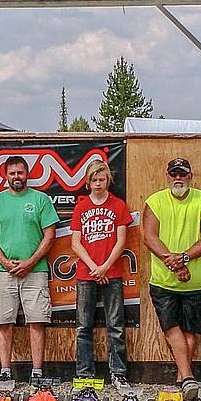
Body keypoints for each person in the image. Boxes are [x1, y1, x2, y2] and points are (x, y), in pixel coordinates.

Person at [141, 158, 201, 397]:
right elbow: (149, 236)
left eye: (182, 174)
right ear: (167, 176)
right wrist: (174, 264)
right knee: (171, 328)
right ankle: (187, 376)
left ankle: (181, 378)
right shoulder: (154, 201)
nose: (178, 178)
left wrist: (183, 258)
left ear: (190, 176)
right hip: (164, 280)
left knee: (188, 331)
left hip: (197, 281)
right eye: (174, 174)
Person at [0, 155, 58, 382]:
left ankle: (37, 371)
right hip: (3, 270)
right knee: (3, 321)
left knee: (37, 320)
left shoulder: (41, 199)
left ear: (27, 174)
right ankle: (5, 371)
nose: (16, 177)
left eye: (20, 172)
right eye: (12, 173)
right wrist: (6, 262)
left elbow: (50, 235)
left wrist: (30, 261)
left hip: (35, 270)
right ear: (5, 176)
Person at [71, 160, 134, 389]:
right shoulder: (81, 207)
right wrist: (94, 268)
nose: (98, 184)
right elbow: (75, 243)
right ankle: (85, 374)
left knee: (115, 326)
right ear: (88, 182)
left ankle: (118, 373)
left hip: (112, 272)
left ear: (108, 181)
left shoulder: (118, 206)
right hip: (86, 274)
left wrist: (105, 266)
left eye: (102, 179)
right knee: (83, 326)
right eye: (94, 180)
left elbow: (122, 241)